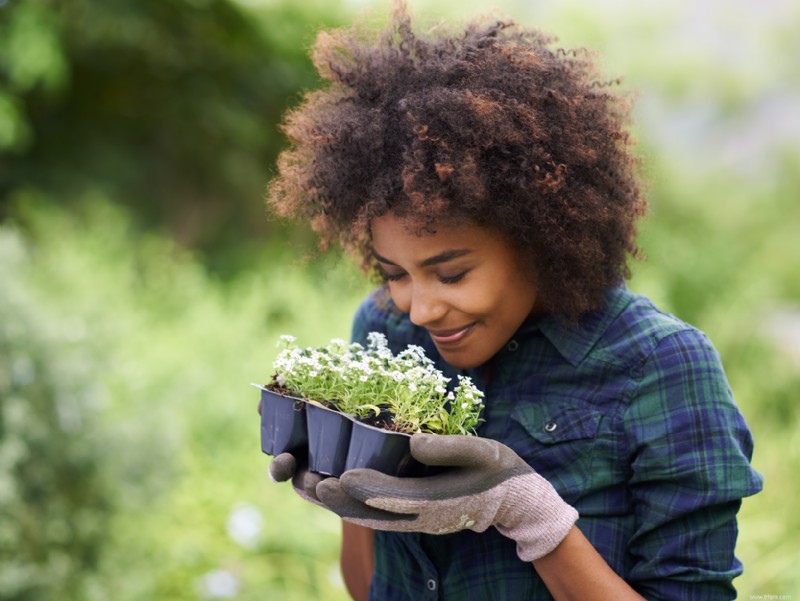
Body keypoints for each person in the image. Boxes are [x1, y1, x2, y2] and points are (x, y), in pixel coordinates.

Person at [265, 3, 763, 599]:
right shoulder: (386, 331)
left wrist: (531, 514)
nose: (420, 309)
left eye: (451, 274)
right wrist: (347, 486)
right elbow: (370, 585)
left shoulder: (661, 367)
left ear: (537, 238)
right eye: (396, 272)